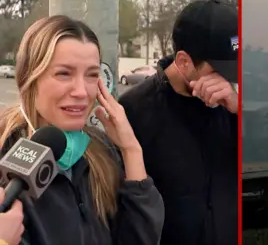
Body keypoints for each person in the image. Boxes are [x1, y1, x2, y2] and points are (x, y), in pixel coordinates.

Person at [0, 15, 164, 245]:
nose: (82, 91)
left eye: (92, 75)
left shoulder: (101, 152)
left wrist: (131, 150)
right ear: (28, 78)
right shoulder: (5, 158)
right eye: (64, 73)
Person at [119, 0, 238, 245]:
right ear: (184, 62)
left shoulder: (231, 103)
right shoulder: (134, 111)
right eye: (220, 72)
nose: (229, 81)